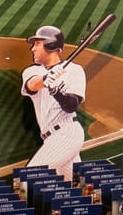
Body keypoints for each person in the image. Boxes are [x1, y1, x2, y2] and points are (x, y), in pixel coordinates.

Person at [20, 24, 86, 181]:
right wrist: (45, 80)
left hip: (67, 132)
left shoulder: (75, 70)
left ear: (50, 45)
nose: (32, 49)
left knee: (28, 179)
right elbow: (31, 86)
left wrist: (56, 91)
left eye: (37, 44)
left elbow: (71, 106)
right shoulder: (32, 71)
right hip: (50, 138)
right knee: (75, 184)